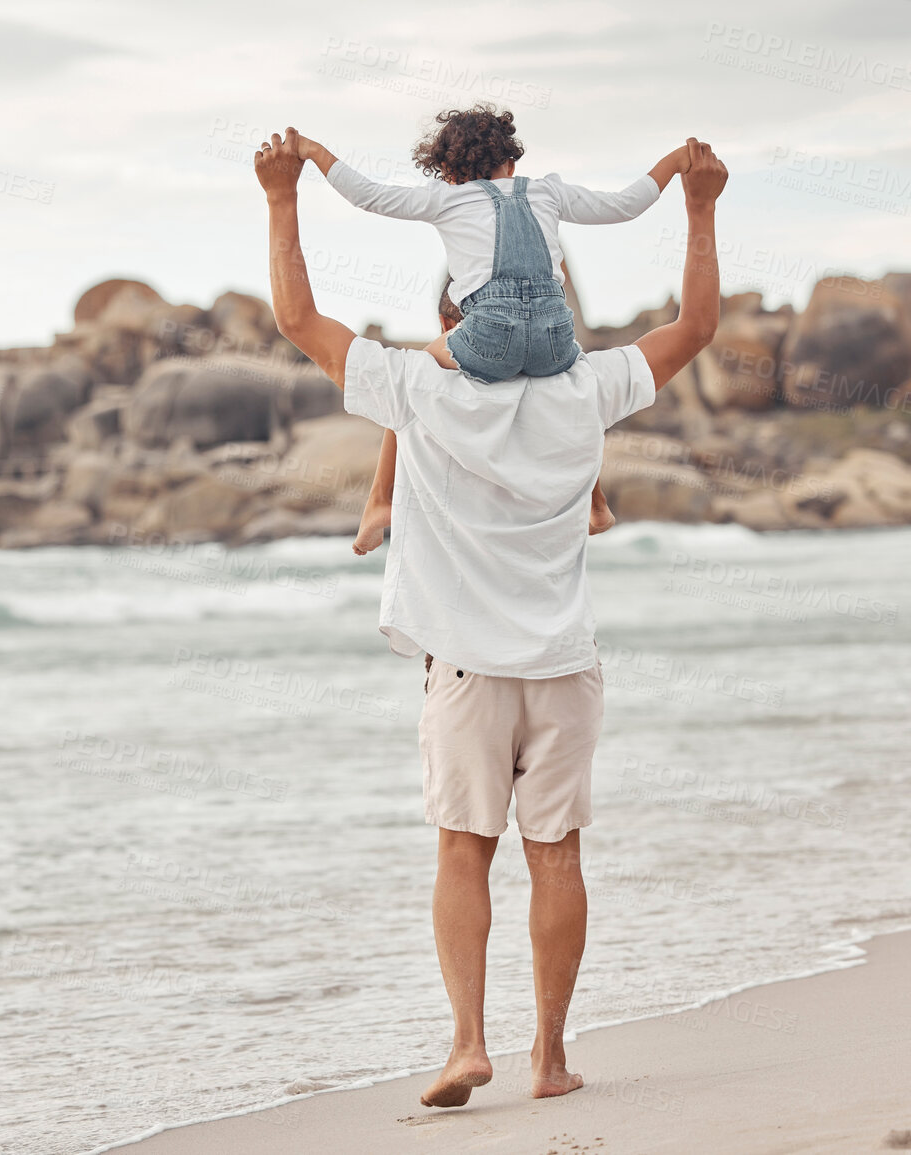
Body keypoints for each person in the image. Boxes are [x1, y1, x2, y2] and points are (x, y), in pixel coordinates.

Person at [253, 128, 727, 1105]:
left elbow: (298, 316)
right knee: (557, 856)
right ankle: (550, 1058)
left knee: (463, 850)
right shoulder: (588, 392)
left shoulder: (419, 389)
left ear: (460, 309)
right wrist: (701, 203)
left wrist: (279, 195)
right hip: (564, 663)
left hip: (465, 668)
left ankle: (468, 1045)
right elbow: (695, 329)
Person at [285, 107, 691, 554]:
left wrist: (314, 153)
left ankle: (380, 501)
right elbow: (626, 205)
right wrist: (674, 162)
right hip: (555, 342)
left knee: (416, 374)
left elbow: (367, 195)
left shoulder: (446, 198)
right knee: (583, 392)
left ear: (448, 173)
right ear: (511, 163)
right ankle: (595, 501)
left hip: (490, 338)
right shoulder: (548, 193)